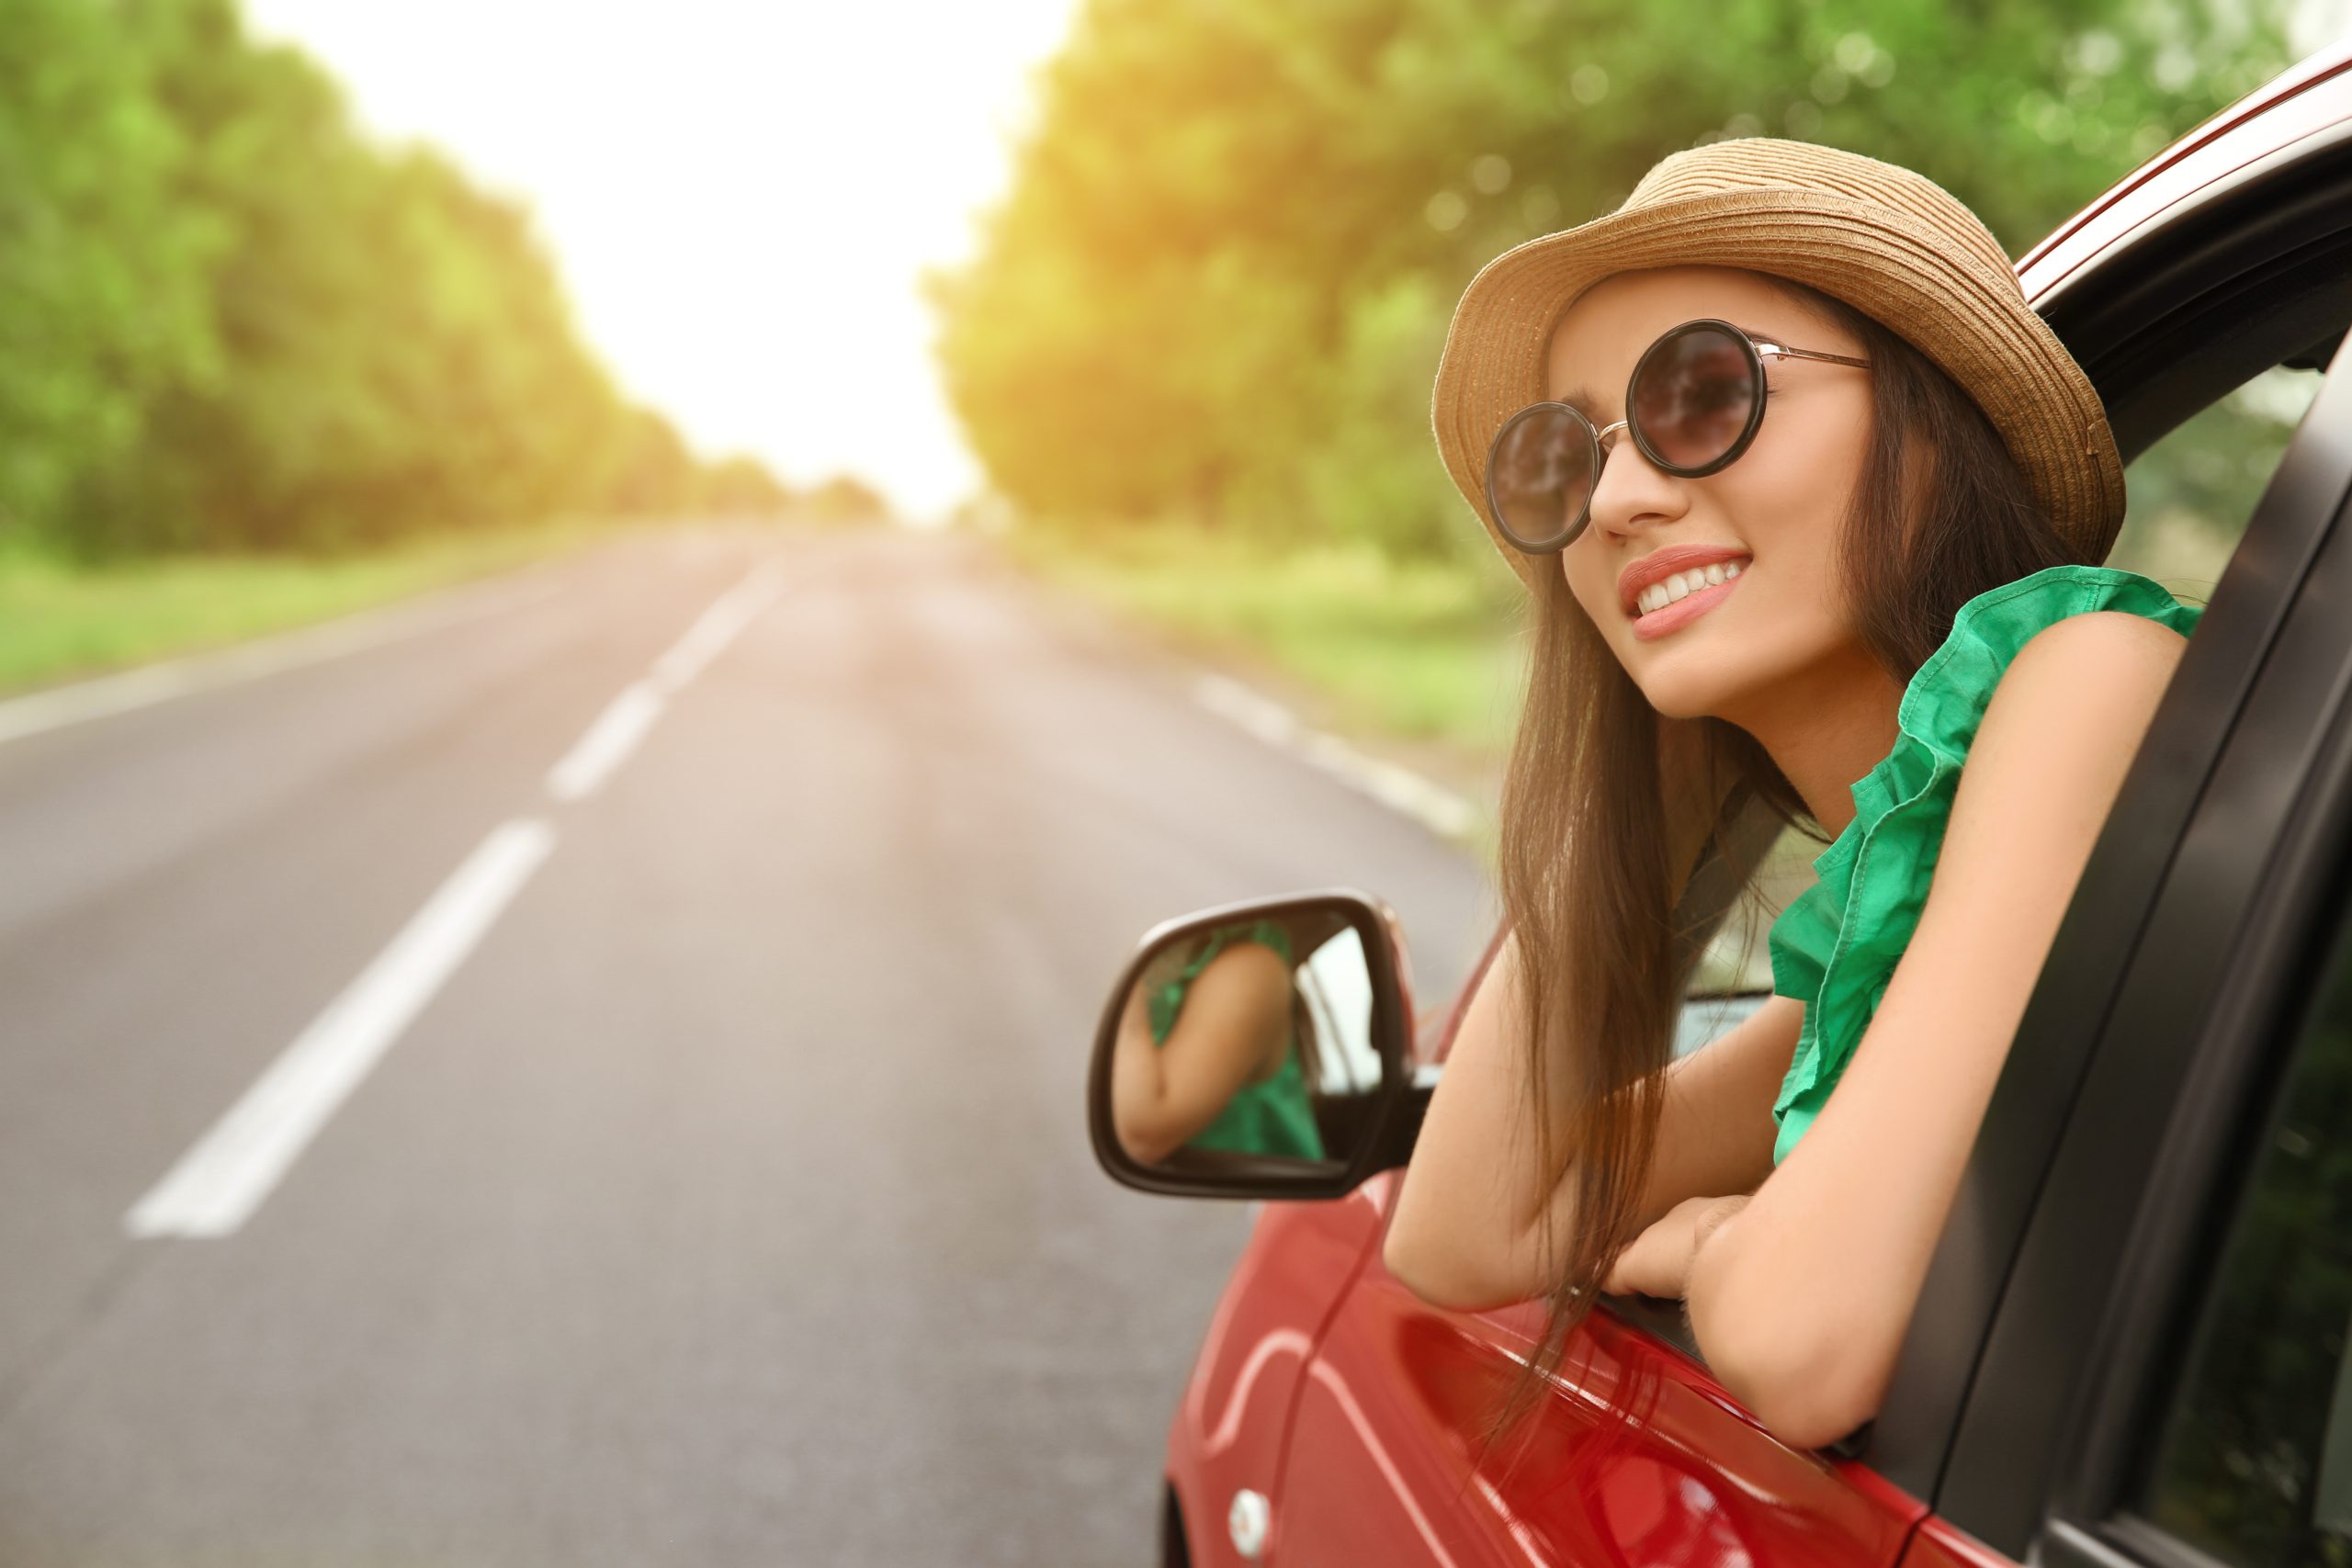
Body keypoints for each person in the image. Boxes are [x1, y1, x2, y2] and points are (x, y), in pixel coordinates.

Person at [1380, 138, 2203, 1456]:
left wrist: (1722, 1239)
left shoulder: (2094, 677)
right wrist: (1646, 755)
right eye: (1565, 460)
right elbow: (1465, 1228)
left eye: (1704, 394)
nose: (1619, 500)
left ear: (1930, 425)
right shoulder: (1881, 940)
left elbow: (1803, 1344)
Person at [1110, 917, 1329, 1163]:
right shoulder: (1186, 957)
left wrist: (1133, 974)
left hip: (1265, 1199)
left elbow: (1142, 1137)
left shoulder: (1251, 966)